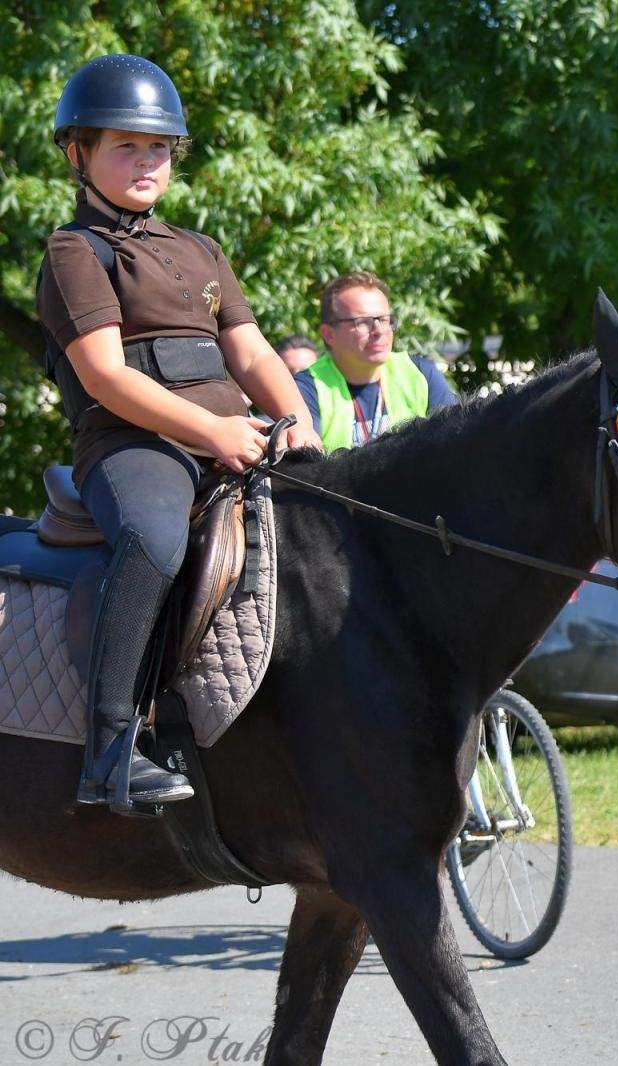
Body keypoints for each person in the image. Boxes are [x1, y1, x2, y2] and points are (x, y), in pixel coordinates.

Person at [37, 54, 323, 813]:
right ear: (80, 154)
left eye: (157, 147)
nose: (145, 162)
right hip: (132, 444)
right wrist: (213, 428)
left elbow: (253, 351)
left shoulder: (200, 249)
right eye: (124, 146)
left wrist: (298, 423)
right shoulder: (75, 251)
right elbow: (104, 375)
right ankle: (110, 753)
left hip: (230, 433)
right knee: (158, 541)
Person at [295, 271, 457, 449]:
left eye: (384, 319)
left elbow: (455, 444)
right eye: (363, 322)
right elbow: (305, 468)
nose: (379, 331)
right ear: (329, 334)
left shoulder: (420, 373)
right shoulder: (306, 388)